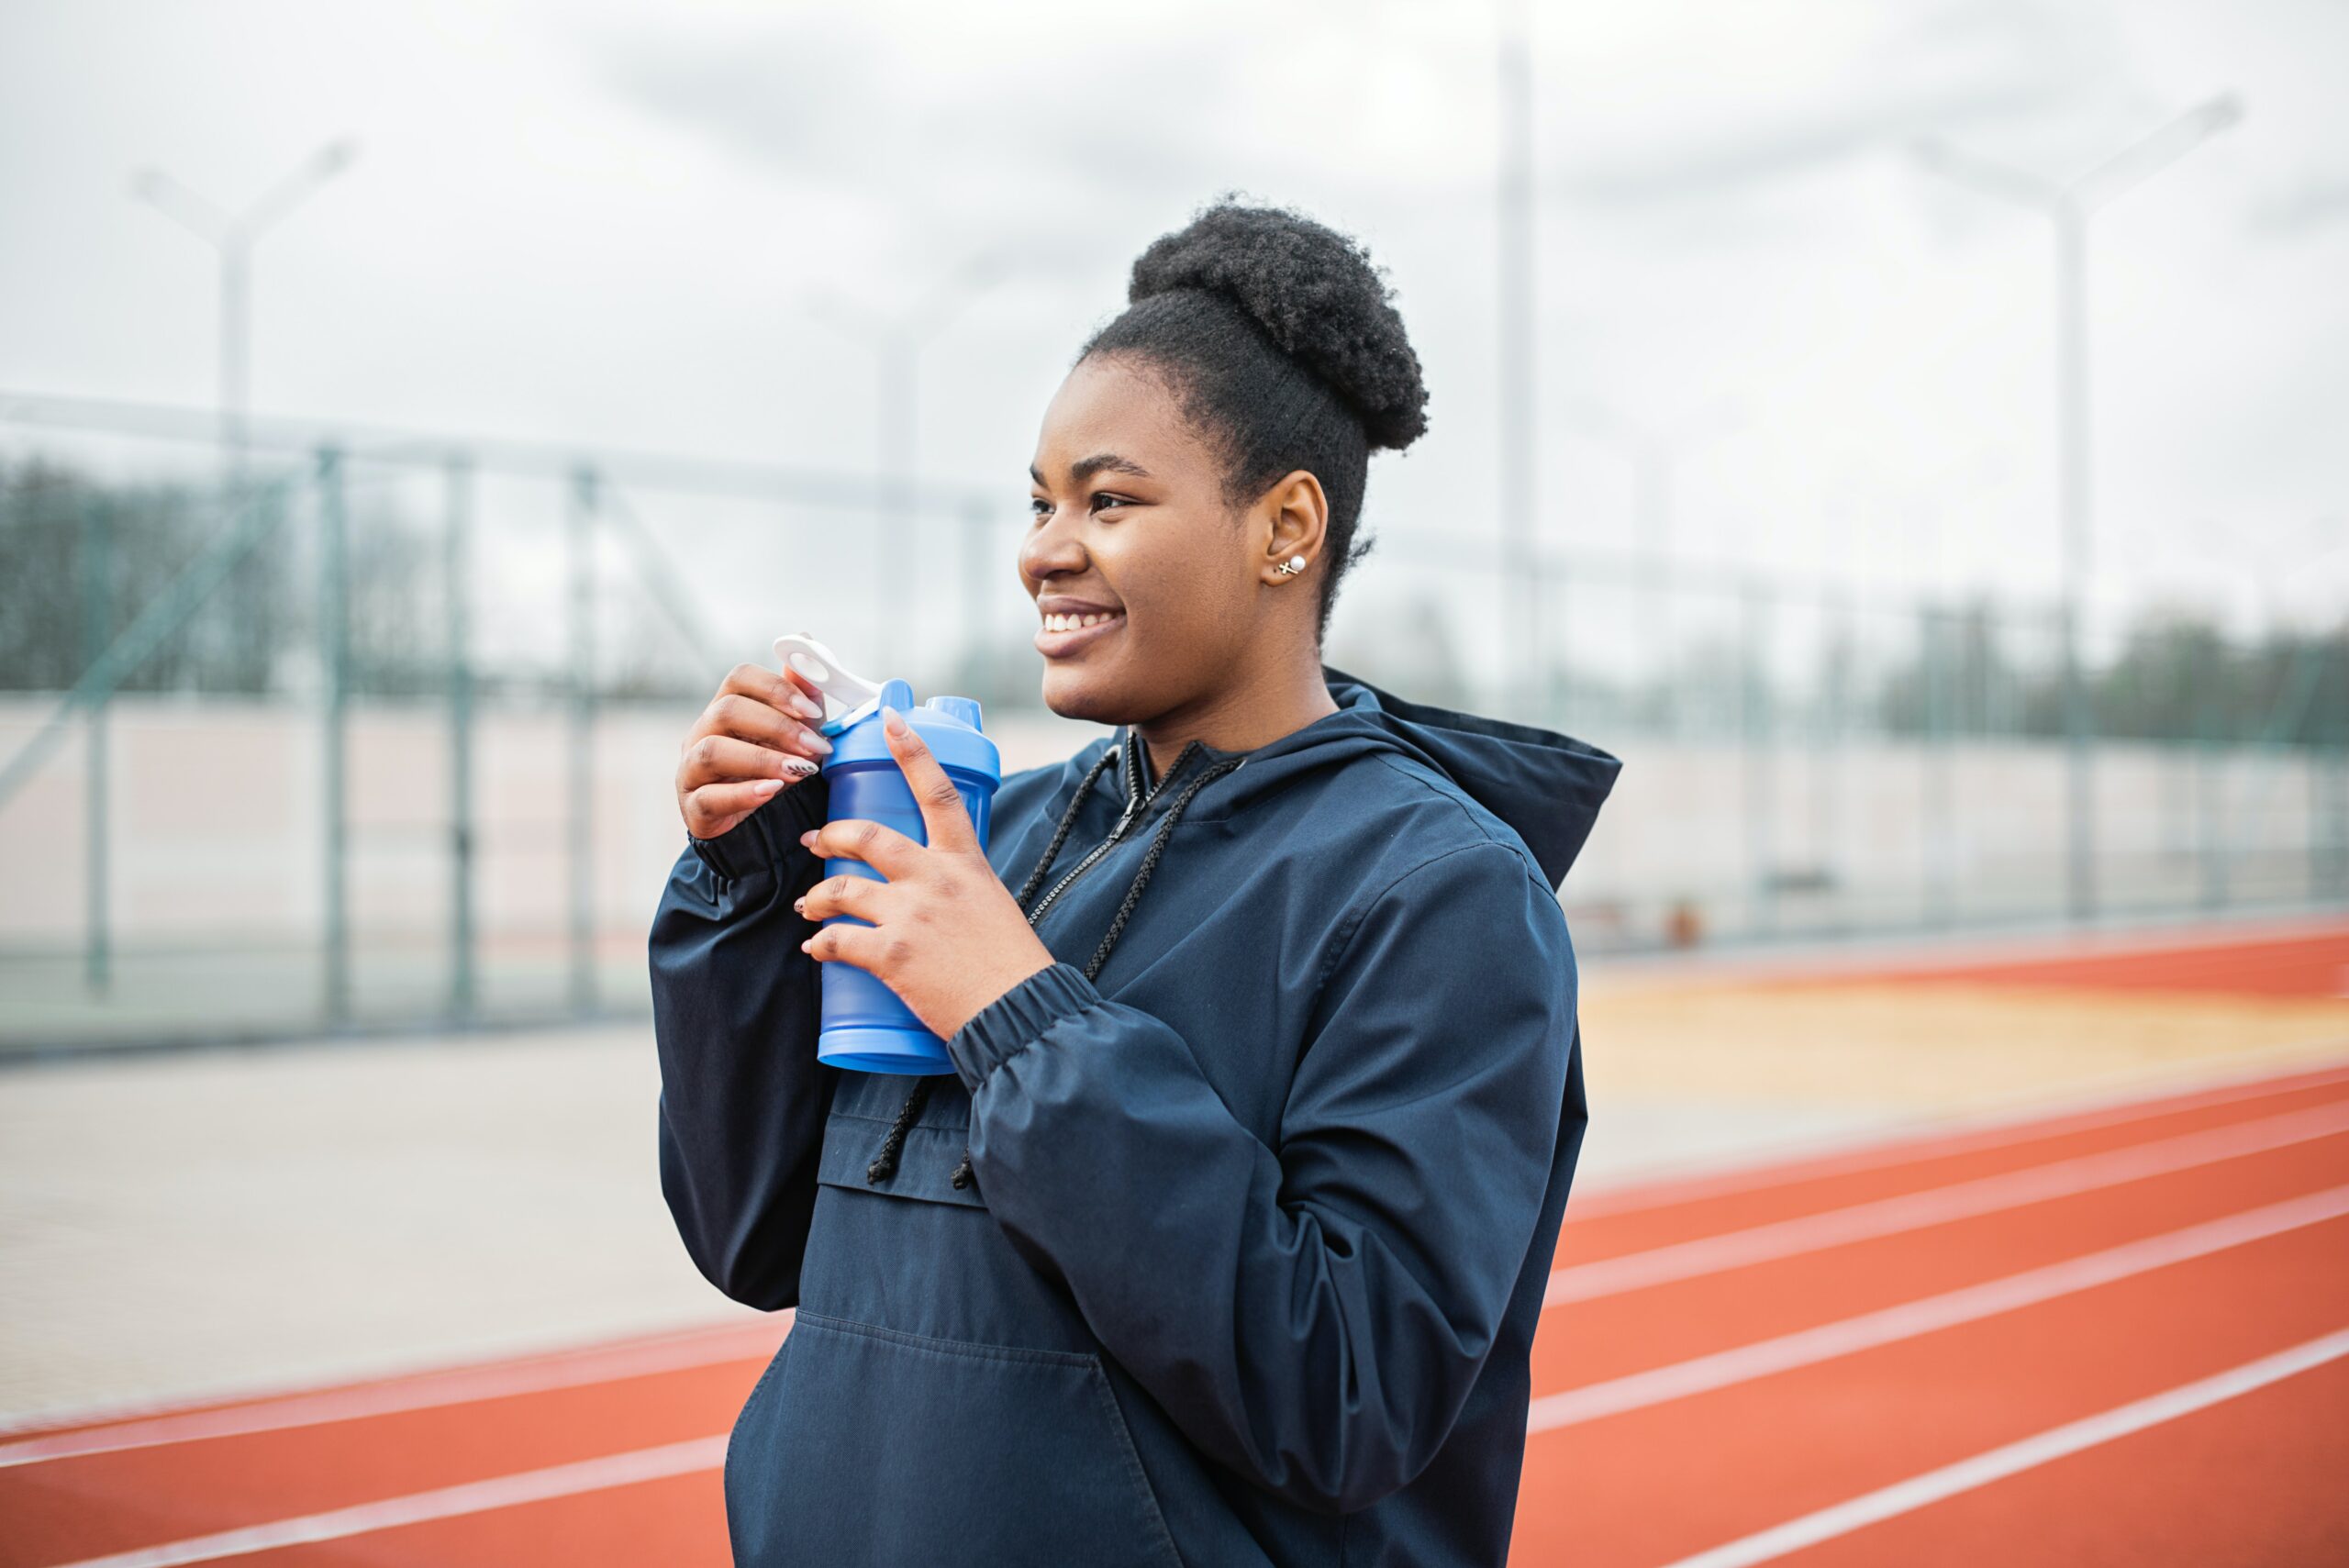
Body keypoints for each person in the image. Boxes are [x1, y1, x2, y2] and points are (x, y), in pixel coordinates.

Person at [651, 197, 1620, 1568]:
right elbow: (756, 1232)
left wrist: (1018, 1011)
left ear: (1286, 526)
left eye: (1109, 499)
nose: (1048, 546)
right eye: (1039, 502)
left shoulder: (1443, 896)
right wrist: (745, 883)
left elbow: (1348, 1390)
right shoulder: (996, 837)